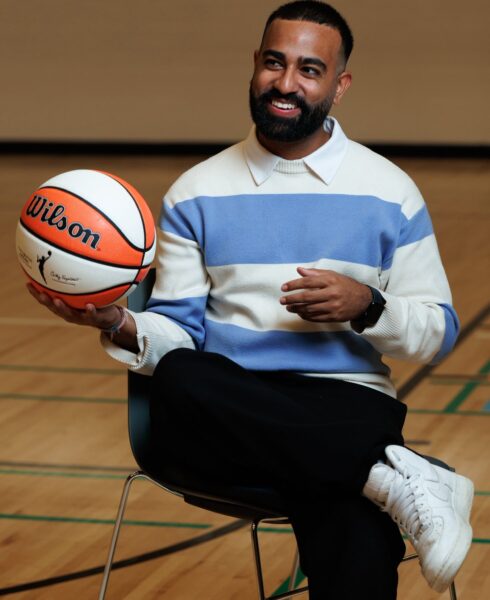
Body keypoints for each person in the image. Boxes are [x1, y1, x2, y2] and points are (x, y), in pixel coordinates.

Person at [28, 1, 474, 597]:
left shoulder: (390, 191)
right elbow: (177, 333)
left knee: (355, 530)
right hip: (228, 408)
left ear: (339, 86)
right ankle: (382, 472)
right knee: (184, 377)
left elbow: (440, 334)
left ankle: (368, 473)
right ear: (254, 66)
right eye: (274, 63)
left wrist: (368, 305)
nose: (286, 83)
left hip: (342, 404)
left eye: (309, 70)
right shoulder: (197, 191)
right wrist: (121, 322)